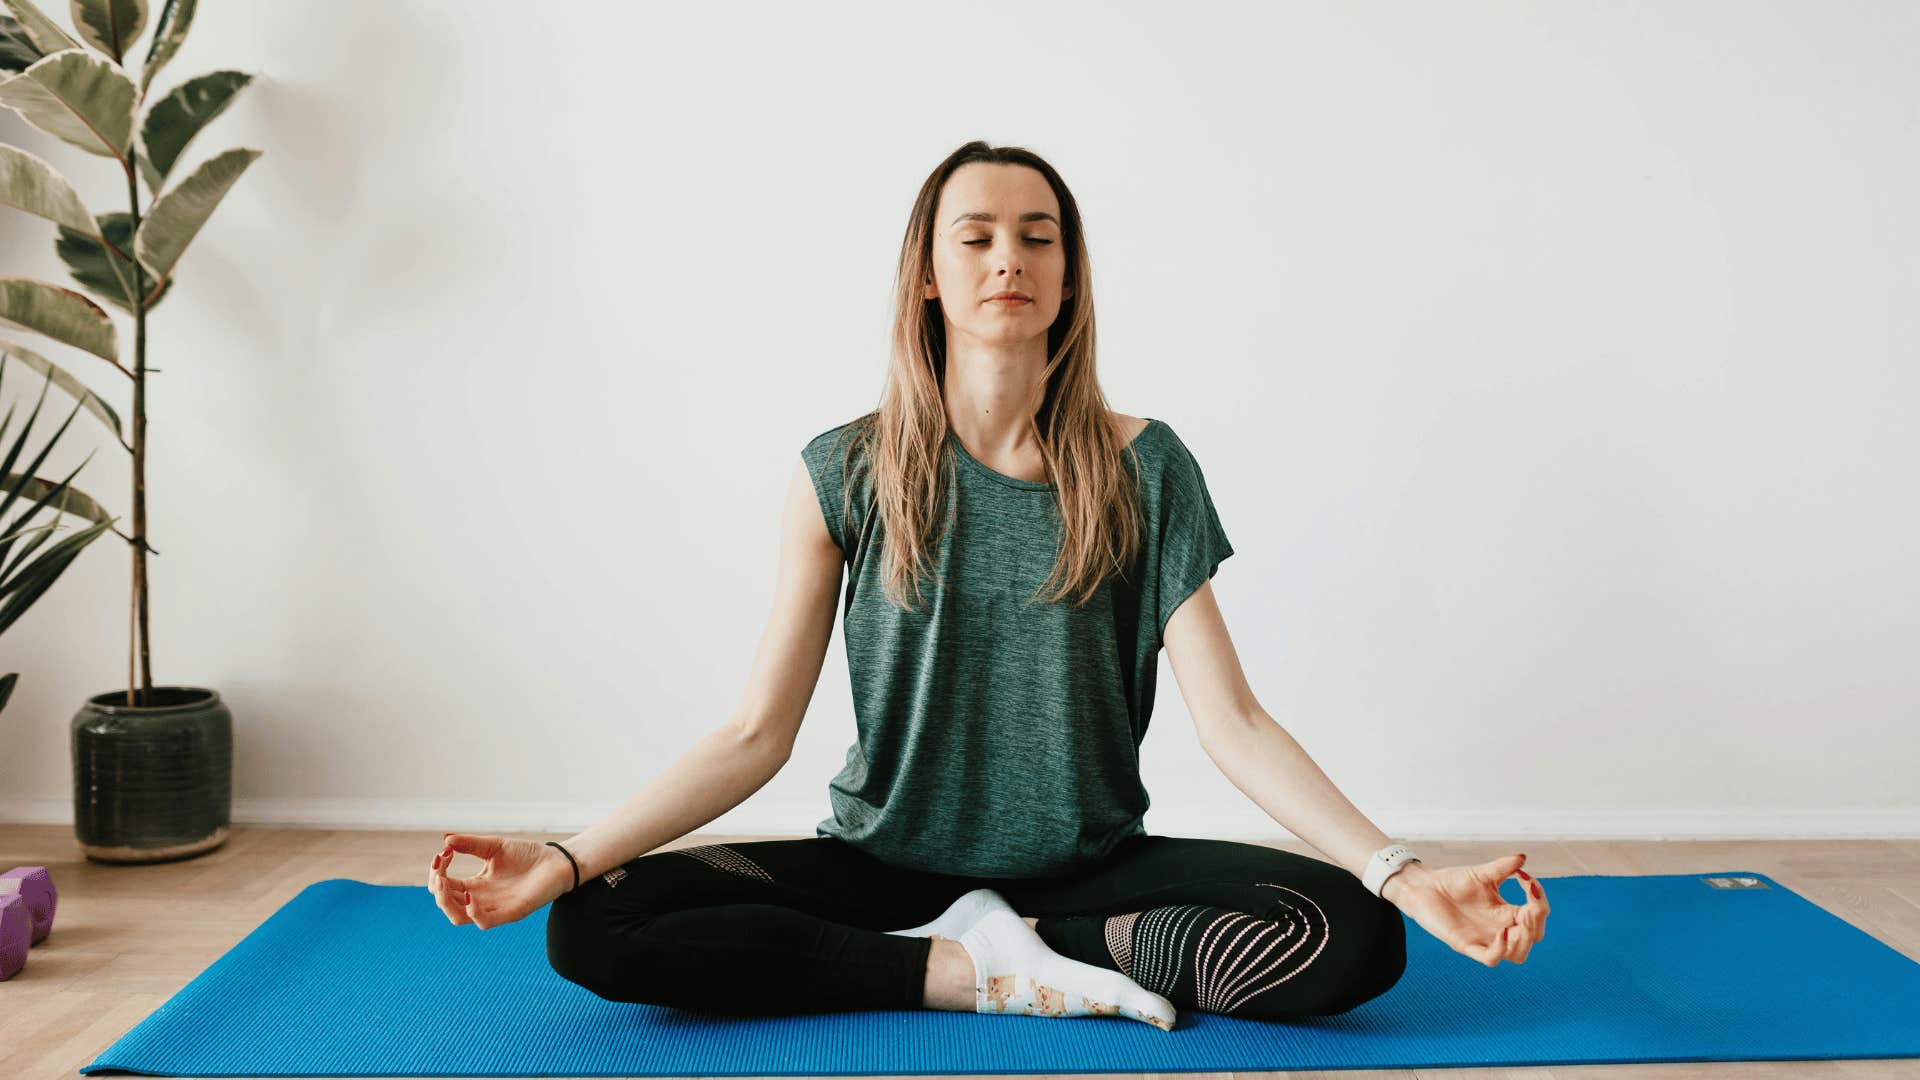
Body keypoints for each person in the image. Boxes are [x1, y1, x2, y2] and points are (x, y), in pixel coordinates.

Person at [426, 141, 1549, 1029]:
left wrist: (1400, 874)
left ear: (1067, 277)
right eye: (976, 237)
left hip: (1094, 874)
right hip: (879, 870)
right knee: (596, 923)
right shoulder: (844, 472)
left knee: (1355, 937)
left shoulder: (1144, 468)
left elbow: (1237, 723)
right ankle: (972, 972)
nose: (1008, 257)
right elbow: (755, 733)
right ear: (930, 274)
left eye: (1036, 236)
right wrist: (568, 854)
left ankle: (1047, 952)